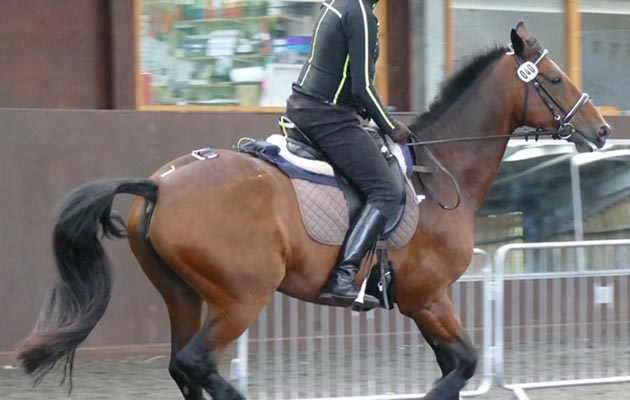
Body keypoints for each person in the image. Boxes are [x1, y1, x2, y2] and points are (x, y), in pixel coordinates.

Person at [286, 0, 413, 308]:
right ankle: (344, 275)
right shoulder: (361, 13)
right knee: (385, 190)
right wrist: (390, 124)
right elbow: (362, 87)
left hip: (305, 106)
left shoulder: (337, 4)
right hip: (329, 117)